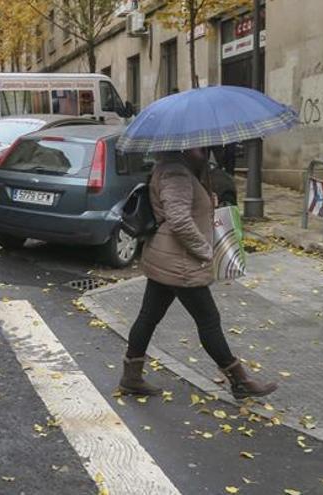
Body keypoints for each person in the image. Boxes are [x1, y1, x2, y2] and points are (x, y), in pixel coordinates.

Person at [118, 147, 277, 400]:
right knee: (209, 320)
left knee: (148, 316)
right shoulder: (176, 174)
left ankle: (131, 376)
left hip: (166, 257)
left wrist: (205, 200)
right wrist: (205, 250)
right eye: (199, 146)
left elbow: (182, 209)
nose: (203, 149)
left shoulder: (171, 169)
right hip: (180, 262)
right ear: (183, 147)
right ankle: (240, 380)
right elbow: (179, 219)